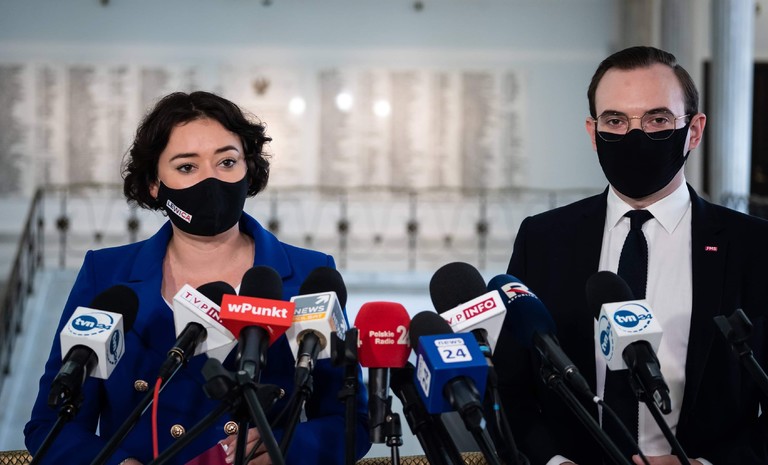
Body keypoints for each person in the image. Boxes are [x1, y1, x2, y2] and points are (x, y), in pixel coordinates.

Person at [24, 91, 371, 465]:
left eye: (227, 161)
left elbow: (352, 423)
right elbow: (49, 425)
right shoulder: (107, 275)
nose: (211, 180)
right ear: (155, 183)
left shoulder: (308, 275)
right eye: (187, 167)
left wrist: (287, 447)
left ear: (249, 168)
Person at [494, 46, 768, 465]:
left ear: (694, 130)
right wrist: (554, 463)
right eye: (615, 121)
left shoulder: (753, 246)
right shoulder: (544, 239)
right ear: (593, 132)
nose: (634, 137)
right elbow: (510, 385)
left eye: (658, 120)